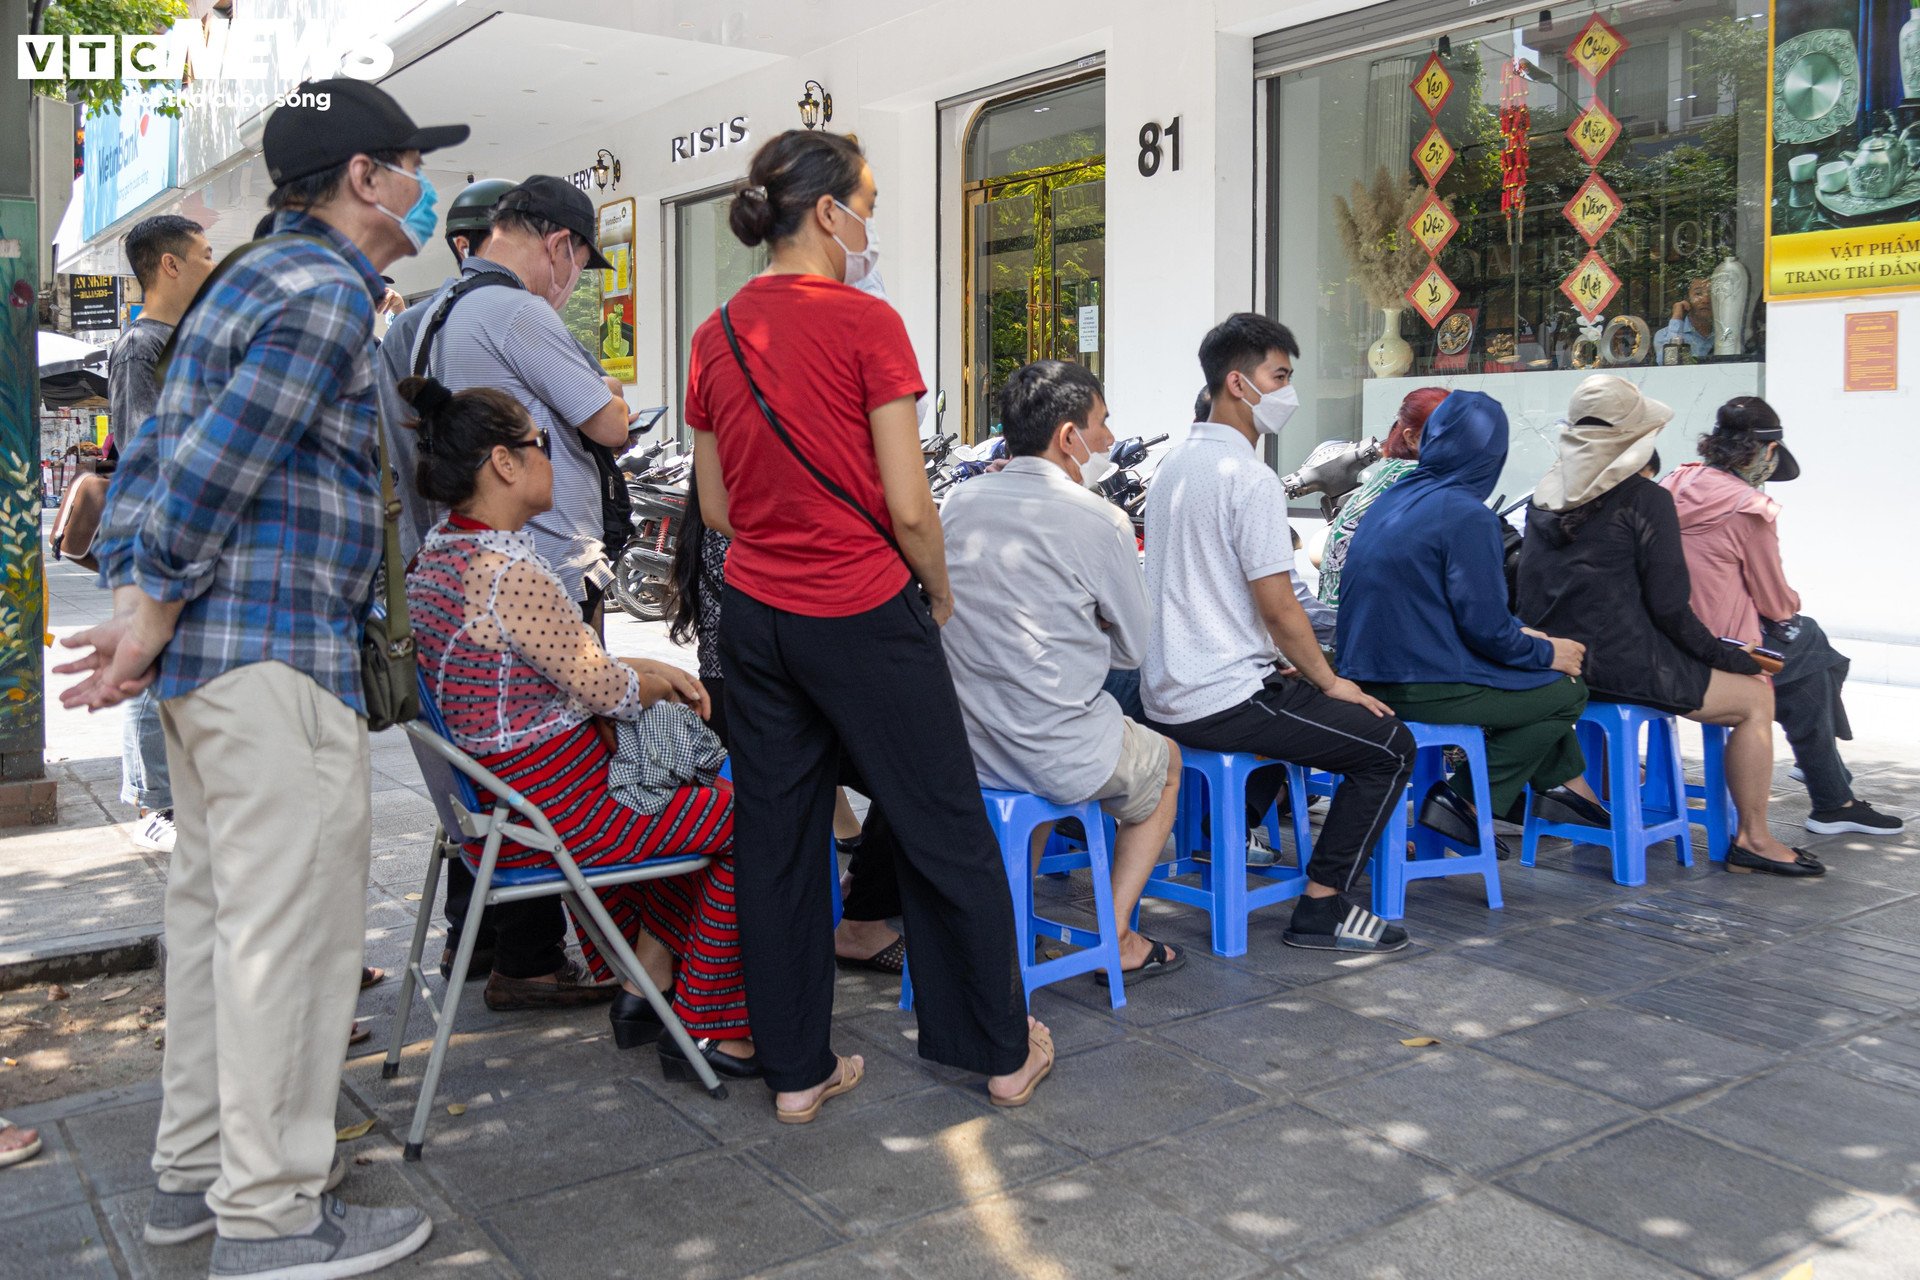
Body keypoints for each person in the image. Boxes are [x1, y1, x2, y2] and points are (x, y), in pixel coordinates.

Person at [60, 78, 465, 1276]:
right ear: (361, 179)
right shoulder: (324, 292)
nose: (418, 185)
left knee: (221, 927)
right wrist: (149, 613)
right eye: (407, 163)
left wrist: (147, 607)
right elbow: (215, 471)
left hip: (216, 666)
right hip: (276, 655)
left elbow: (151, 469)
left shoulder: (241, 281)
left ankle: (196, 1176)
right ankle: (275, 1212)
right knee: (292, 938)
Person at [686, 128, 1051, 1120]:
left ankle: (797, 1072)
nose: (872, 227)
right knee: (944, 823)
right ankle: (1002, 1050)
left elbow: (714, 505)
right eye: (870, 206)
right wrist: (933, 588)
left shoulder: (715, 333)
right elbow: (908, 504)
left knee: (779, 839)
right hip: (859, 603)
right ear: (827, 211)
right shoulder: (865, 322)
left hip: (756, 616)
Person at [399, 376, 755, 1080]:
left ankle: (644, 978)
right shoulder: (506, 570)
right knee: (758, 815)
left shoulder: (439, 553)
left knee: (686, 767)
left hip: (506, 800)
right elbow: (608, 690)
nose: (552, 457)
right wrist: (659, 680)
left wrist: (652, 671)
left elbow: (567, 662)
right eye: (541, 444)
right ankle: (708, 1018)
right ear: (504, 463)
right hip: (558, 808)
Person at [405, 175, 637, 1013]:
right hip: (537, 569)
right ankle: (561, 958)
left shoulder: (429, 313)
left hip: (468, 557)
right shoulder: (519, 311)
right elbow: (609, 421)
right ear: (560, 244)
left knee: (498, 741)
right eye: (578, 262)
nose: (570, 281)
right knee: (572, 742)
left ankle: (503, 945)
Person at [1142, 313, 1417, 952]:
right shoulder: (1249, 478)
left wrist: (1283, 665)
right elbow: (1281, 609)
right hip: (1221, 700)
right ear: (1239, 383)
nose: (1288, 392)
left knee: (1311, 712)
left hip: (1170, 693)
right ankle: (1323, 907)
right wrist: (1330, 679)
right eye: (1281, 376)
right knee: (1391, 746)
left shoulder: (1173, 467)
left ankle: (1235, 843)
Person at [1516, 375, 1823, 877]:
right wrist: (1730, 657)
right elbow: (1671, 611)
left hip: (1558, 663)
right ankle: (1754, 838)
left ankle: (1614, 802)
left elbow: (1529, 595)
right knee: (1755, 699)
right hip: (1622, 663)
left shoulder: (1544, 498)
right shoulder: (1644, 499)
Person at [940, 360, 1186, 981]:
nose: (1108, 439)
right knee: (1167, 762)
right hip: (1052, 748)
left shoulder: (958, 501)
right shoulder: (1097, 518)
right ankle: (1121, 935)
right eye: (1102, 424)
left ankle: (1011, 928)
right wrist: (1085, 627)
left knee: (1045, 774)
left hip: (968, 743)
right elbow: (1133, 648)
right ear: (1068, 436)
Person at [1337, 391, 1607, 847]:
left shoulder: (1392, 499)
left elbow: (1444, 607)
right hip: (1417, 684)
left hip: (1361, 672)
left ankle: (1564, 789)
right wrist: (1545, 650)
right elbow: (1486, 630)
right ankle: (1463, 800)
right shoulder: (1467, 515)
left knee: (1536, 681)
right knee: (1566, 689)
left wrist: (1526, 640)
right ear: (1492, 456)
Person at [665, 472, 906, 974]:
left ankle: (859, 884)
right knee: (910, 771)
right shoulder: (746, 529)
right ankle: (862, 923)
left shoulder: (711, 519)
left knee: (899, 760)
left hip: (729, 698)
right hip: (763, 706)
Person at [373, 175, 517, 983]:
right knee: (496, 747)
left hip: (434, 559)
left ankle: (480, 936)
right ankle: (513, 948)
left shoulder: (417, 324)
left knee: (468, 756)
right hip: (471, 559)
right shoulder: (467, 319)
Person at [1662, 398, 1901, 837]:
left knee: (1806, 667)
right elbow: (1776, 603)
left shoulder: (1678, 481)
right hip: (1722, 647)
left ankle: (1832, 792)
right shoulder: (1748, 508)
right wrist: (1794, 600)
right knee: (1815, 646)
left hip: (1664, 636)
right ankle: (1830, 790)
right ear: (1767, 452)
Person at [109, 215, 214, 856]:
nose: (213, 264)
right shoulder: (142, 348)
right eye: (204, 255)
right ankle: (154, 802)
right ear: (169, 265)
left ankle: (183, 793)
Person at [1317, 386, 1448, 612]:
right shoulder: (1418, 477)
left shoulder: (1393, 468)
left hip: (1342, 615)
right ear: (1413, 438)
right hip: (1368, 613)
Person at [1656, 277, 1718, 360]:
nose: (1705, 300)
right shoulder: (1664, 335)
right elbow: (1668, 361)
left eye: (1711, 293)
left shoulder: (1724, 333)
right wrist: (1677, 317)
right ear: (1687, 299)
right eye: (1698, 294)